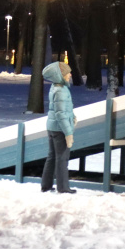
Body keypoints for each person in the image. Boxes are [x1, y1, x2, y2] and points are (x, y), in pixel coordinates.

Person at [40, 61, 77, 193]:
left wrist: (72, 116)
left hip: (52, 126)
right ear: (60, 75)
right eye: (67, 73)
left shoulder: (57, 87)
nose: (70, 75)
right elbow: (60, 114)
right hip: (59, 129)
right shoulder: (60, 90)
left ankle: (46, 185)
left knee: (52, 156)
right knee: (62, 158)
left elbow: (65, 108)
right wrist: (68, 133)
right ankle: (63, 188)